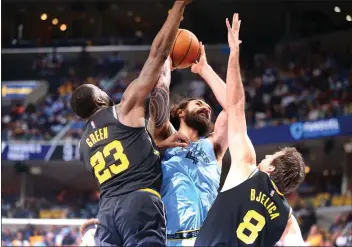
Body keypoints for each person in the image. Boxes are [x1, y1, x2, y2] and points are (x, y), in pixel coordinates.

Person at [70, 1, 191, 246]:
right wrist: (178, 8)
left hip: (107, 213)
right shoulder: (122, 108)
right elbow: (158, 53)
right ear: (100, 98)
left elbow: (124, 163)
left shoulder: (83, 146)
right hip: (139, 201)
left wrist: (159, 147)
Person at [194, 13, 306, 247]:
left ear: (272, 167)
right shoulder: (286, 219)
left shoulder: (247, 167)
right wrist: (204, 69)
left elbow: (235, 105)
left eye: (270, 157)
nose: (264, 157)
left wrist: (234, 53)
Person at [147, 43, 229, 245]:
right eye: (199, 104)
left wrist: (205, 70)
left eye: (208, 107)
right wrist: (167, 59)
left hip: (206, 240)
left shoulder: (214, 145)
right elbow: (160, 91)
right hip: (168, 240)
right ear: (180, 113)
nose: (207, 108)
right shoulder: (164, 136)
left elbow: (233, 107)